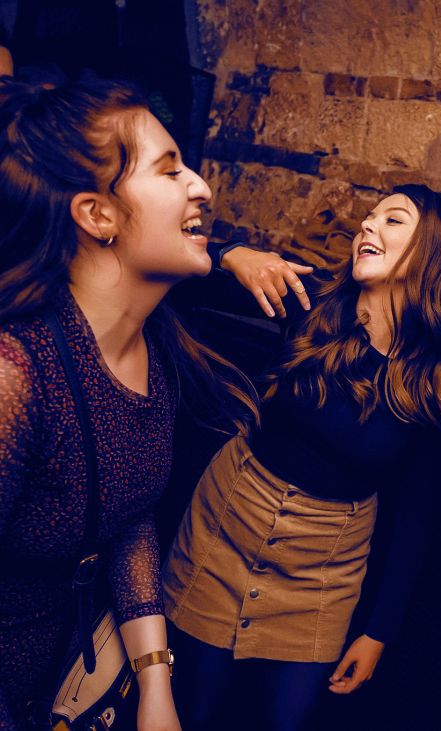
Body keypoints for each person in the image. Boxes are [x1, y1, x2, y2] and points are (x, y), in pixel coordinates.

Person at [162, 184, 441, 730]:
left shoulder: (436, 379)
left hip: (321, 574)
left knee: (285, 721)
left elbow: (416, 518)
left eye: (393, 220)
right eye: (371, 216)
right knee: (191, 709)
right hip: (225, 530)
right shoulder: (310, 301)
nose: (368, 225)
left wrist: (378, 633)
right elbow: (169, 272)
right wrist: (231, 254)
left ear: (435, 254)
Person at [0, 75, 254, 730]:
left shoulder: (152, 349)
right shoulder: (16, 376)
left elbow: (126, 513)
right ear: (98, 216)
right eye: (169, 170)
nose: (200, 185)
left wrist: (154, 684)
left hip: (61, 677)